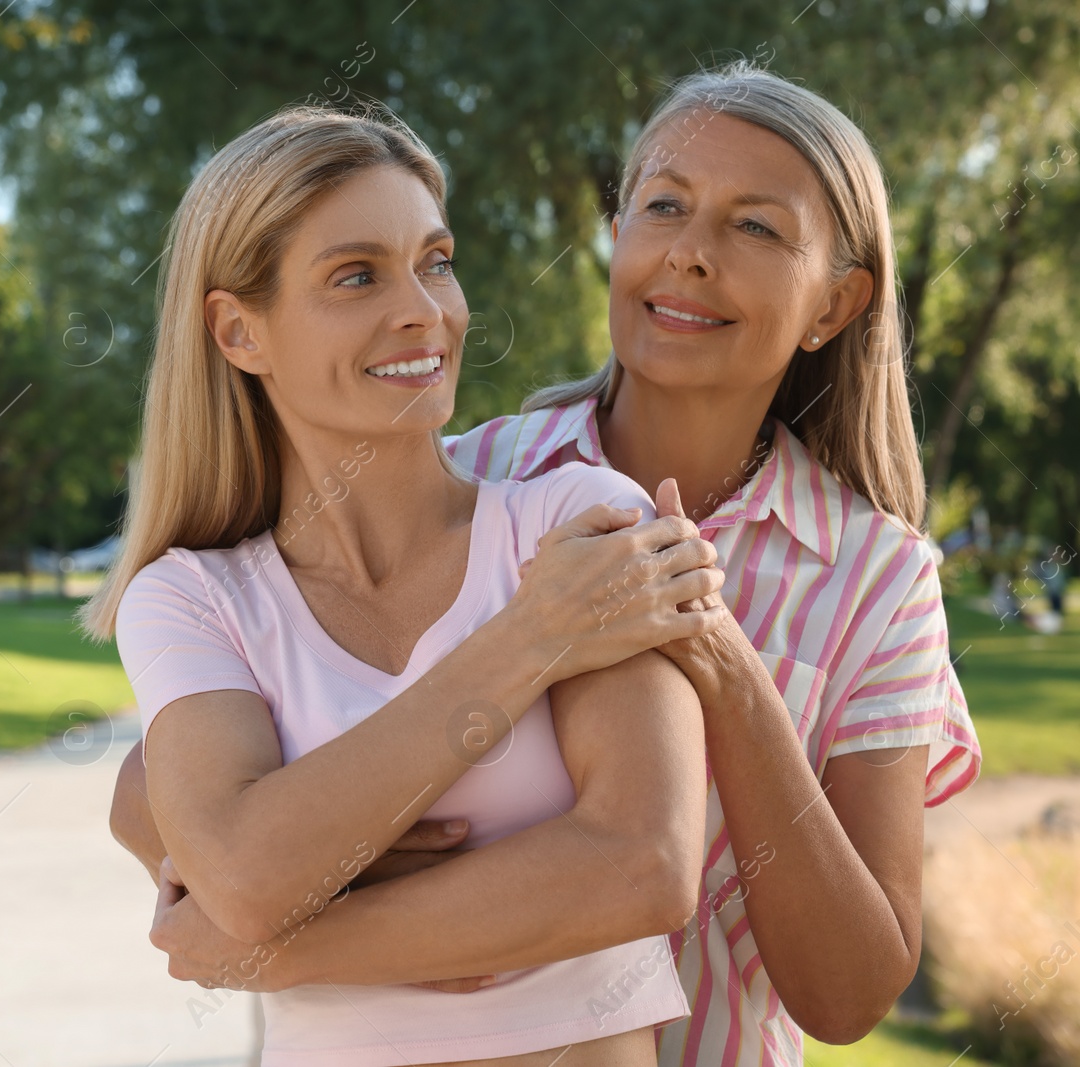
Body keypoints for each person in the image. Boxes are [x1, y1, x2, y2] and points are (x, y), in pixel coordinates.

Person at [121, 64, 983, 1065]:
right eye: (662, 205)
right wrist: (307, 861)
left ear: (833, 304)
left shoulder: (877, 578)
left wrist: (720, 660)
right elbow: (157, 791)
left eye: (755, 226)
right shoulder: (464, 469)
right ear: (617, 236)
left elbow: (843, 987)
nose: (691, 254)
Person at [85, 105, 734, 1066]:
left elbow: (643, 865)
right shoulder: (191, 597)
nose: (425, 311)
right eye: (357, 276)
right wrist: (532, 638)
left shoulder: (580, 518)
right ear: (238, 332)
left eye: (435, 260)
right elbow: (248, 870)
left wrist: (287, 939)